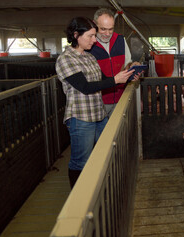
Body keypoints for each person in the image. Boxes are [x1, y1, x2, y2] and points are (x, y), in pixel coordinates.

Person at [55, 17, 137, 189]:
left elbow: (103, 80)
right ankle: (79, 197)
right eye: (91, 36)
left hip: (99, 114)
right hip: (81, 117)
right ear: (76, 35)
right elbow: (84, 87)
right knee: (81, 161)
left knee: (107, 151)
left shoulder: (89, 57)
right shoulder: (66, 59)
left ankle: (99, 187)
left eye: (94, 36)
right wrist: (115, 80)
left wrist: (125, 76)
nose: (95, 40)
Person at [88, 8, 141, 117]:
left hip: (121, 97)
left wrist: (132, 68)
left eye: (110, 29)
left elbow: (127, 63)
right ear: (94, 24)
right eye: (103, 29)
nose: (107, 33)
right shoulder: (88, 44)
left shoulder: (120, 40)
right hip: (98, 101)